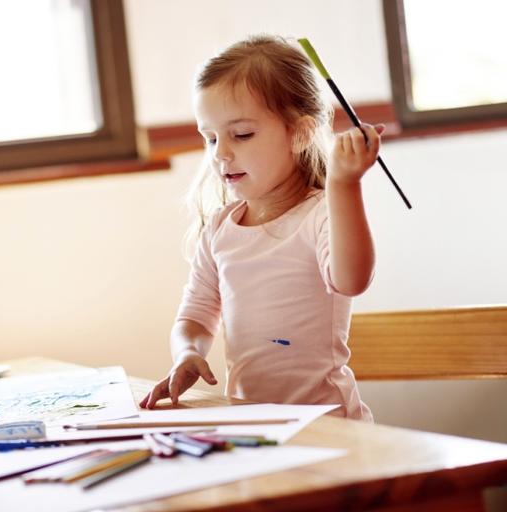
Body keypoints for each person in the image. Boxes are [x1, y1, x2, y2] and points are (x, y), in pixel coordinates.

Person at [140, 35, 381, 421]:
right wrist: (188, 352)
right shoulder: (221, 228)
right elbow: (196, 315)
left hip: (333, 429)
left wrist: (344, 183)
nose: (220, 153)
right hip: (258, 426)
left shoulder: (319, 213)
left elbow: (351, 280)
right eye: (211, 138)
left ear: (300, 134)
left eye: (242, 134)